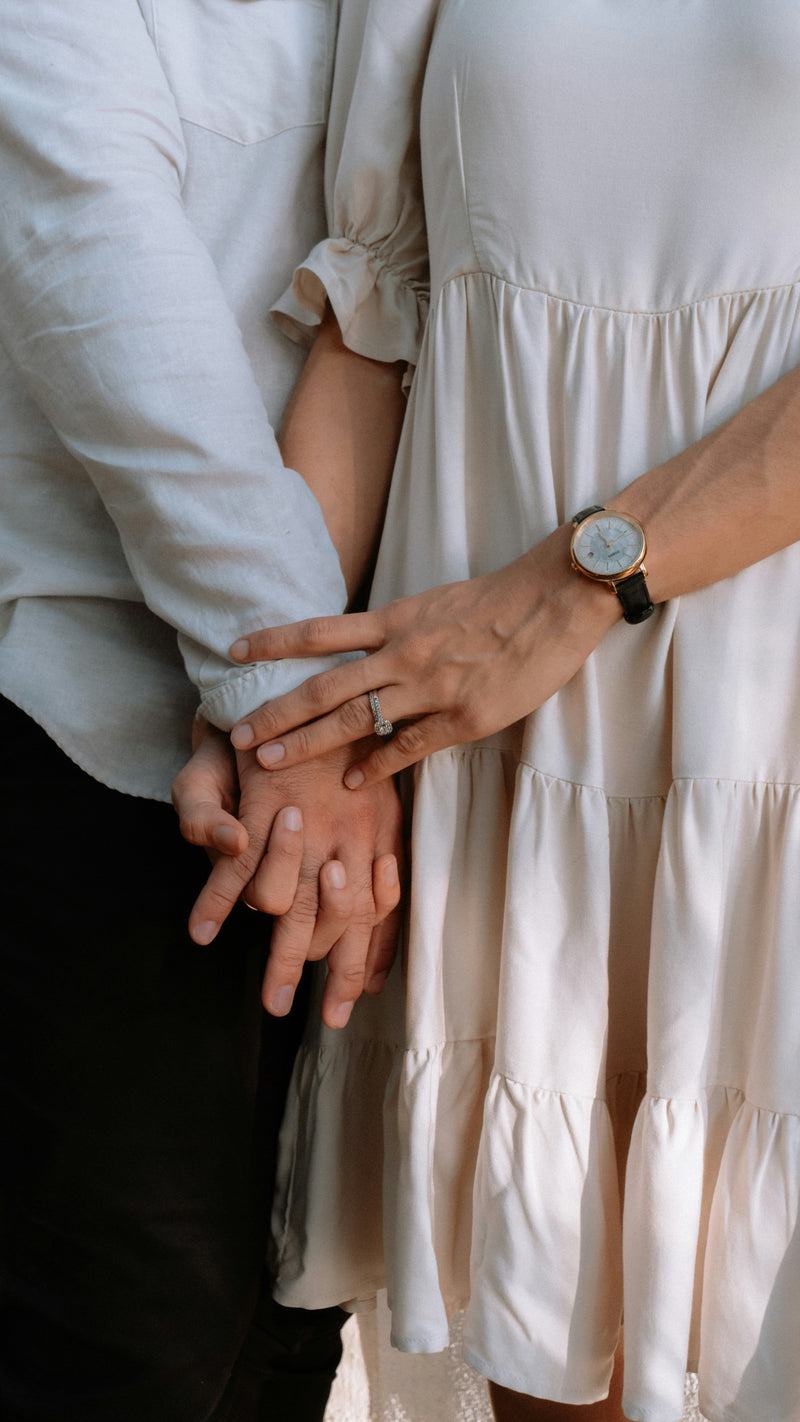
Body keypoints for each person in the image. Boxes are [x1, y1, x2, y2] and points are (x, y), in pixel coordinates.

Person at [186, 2, 800, 1420]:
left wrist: (577, 588)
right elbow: (370, 332)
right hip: (500, 763)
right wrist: (281, 714)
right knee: (555, 1345)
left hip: (762, 732)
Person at [0, 2, 405, 1419]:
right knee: (126, 1349)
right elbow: (90, 243)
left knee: (285, 1338)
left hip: (404, 749)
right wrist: (298, 707)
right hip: (115, 736)